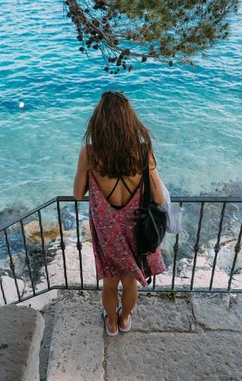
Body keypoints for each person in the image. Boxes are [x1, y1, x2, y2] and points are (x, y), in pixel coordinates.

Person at [73, 90, 166, 336]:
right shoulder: (143, 151)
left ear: (99, 122)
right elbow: (158, 197)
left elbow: (77, 194)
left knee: (110, 282)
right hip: (135, 229)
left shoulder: (89, 154)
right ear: (129, 121)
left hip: (107, 231)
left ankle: (111, 324)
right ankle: (124, 320)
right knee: (130, 281)